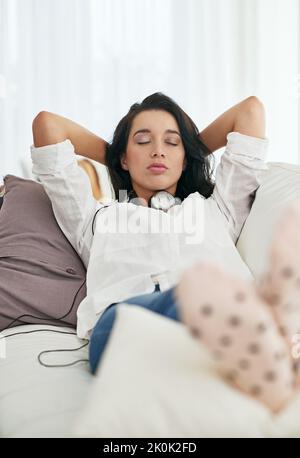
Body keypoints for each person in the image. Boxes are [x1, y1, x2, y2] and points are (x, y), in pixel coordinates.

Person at [30, 92, 300, 413]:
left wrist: (186, 150)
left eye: (171, 143)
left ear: (185, 159)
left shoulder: (217, 210)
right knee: (195, 297)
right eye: (143, 141)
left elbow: (250, 111)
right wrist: (118, 155)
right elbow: (48, 126)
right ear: (124, 158)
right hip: (126, 324)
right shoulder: (96, 219)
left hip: (211, 323)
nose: (158, 150)